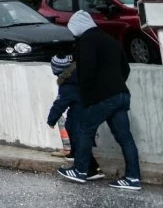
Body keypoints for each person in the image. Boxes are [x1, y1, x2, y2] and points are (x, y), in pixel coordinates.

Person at [58, 10, 142, 190]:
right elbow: (125, 69)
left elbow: (86, 71)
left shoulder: (86, 42)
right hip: (121, 94)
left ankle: (80, 170)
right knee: (125, 138)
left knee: (83, 130)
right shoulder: (110, 40)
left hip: (102, 97)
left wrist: (87, 93)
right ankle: (133, 178)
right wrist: (115, 85)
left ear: (79, 27)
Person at [46, 55, 103, 179]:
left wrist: (51, 120)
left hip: (81, 114)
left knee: (79, 138)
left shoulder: (67, 83)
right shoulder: (77, 75)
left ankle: (89, 169)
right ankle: (88, 166)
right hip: (88, 110)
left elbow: (60, 104)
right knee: (73, 129)